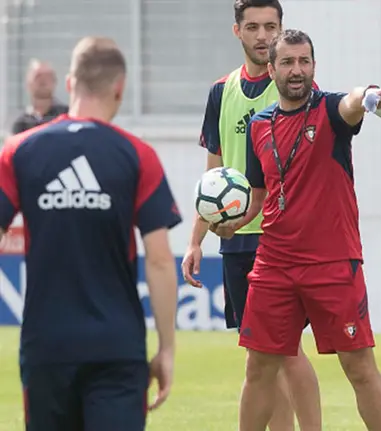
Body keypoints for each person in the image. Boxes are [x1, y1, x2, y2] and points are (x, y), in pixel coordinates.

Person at [212, 29, 381, 431]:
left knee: (359, 366)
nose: (297, 70)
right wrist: (232, 225)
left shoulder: (331, 111)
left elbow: (352, 101)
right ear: (272, 69)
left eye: (304, 61)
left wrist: (367, 95)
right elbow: (258, 200)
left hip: (331, 261)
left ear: (314, 66)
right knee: (259, 367)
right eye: (288, 62)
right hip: (274, 262)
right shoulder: (259, 126)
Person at [0, 36, 181, 431]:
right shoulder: (137, 155)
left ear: (69, 84)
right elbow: (160, 259)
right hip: (117, 349)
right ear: (120, 88)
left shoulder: (19, 151)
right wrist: (166, 347)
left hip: (46, 348)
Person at [180, 1, 322, 429]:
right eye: (254, 27)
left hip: (283, 239)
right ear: (237, 31)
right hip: (236, 239)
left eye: (271, 27)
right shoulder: (220, 91)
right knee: (263, 358)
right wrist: (195, 240)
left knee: (288, 351)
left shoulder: (299, 89)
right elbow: (214, 175)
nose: (263, 36)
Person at [10, 59, 68, 135]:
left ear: (55, 82)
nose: (43, 80)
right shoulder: (21, 123)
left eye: (48, 76)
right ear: (28, 83)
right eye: (38, 76)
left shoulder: (66, 116)